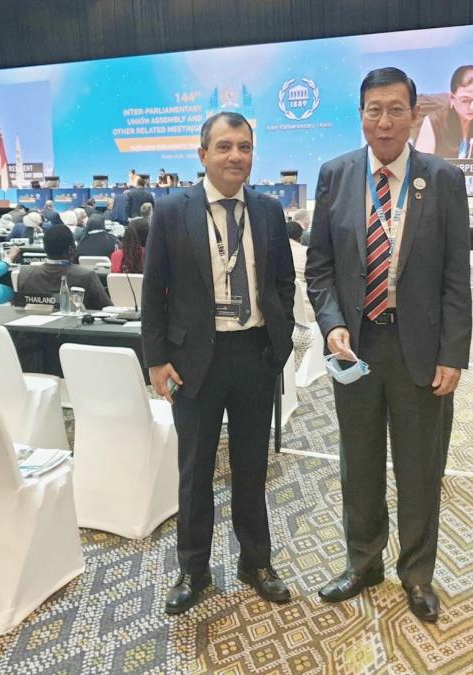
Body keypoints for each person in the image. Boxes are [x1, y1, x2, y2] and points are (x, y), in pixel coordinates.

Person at [306, 67, 472, 622]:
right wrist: (331, 323)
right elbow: (319, 268)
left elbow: (456, 278)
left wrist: (453, 354)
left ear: (414, 115)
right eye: (374, 110)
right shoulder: (335, 175)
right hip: (355, 347)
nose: (384, 121)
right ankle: (363, 562)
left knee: (420, 467)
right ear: (361, 115)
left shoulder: (442, 179)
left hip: (419, 348)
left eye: (396, 109)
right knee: (359, 463)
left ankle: (417, 575)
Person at [142, 111, 295, 615]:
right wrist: (157, 360)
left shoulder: (268, 210)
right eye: (225, 146)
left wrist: (279, 342)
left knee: (252, 467)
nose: (236, 156)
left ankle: (256, 562)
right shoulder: (172, 210)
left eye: (244, 147)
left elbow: (283, 282)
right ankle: (194, 570)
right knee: (195, 471)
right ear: (203, 154)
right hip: (193, 362)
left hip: (254, 354)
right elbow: (154, 291)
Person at [16, 224, 111, 310]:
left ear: (45, 248)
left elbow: (20, 308)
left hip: (35, 323)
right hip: (75, 323)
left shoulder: (25, 274)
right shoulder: (86, 276)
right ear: (71, 249)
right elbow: (107, 309)